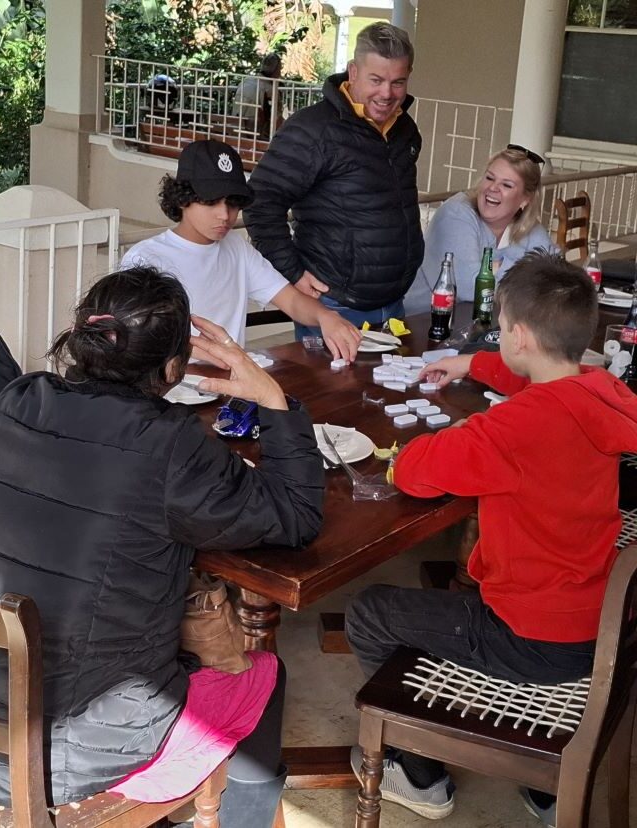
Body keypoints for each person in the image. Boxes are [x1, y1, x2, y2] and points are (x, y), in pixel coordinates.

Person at [0, 266, 326, 826]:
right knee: (262, 673)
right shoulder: (171, 444)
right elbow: (297, 517)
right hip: (58, 754)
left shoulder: (17, 400)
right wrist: (274, 401)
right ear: (170, 367)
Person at [344, 251, 637, 826]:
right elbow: (539, 379)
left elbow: (415, 472)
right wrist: (471, 363)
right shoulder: (603, 391)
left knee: (370, 611)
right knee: (451, 596)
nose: (499, 337)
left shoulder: (513, 429)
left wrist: (446, 437)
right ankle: (549, 791)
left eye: (500, 329)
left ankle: (419, 773)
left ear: (520, 335)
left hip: (529, 637)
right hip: (595, 617)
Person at [244, 22, 422, 335]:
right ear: (353, 72)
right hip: (334, 306)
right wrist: (294, 272)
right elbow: (260, 202)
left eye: (398, 82)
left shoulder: (404, 129)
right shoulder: (313, 130)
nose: (387, 93)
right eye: (376, 80)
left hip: (394, 302)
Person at [121, 139, 361, 361]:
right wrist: (207, 354)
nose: (225, 215)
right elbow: (136, 338)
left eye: (233, 203)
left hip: (233, 384)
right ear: (183, 198)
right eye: (211, 201)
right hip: (172, 391)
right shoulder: (147, 258)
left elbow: (290, 299)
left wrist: (326, 316)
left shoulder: (236, 247)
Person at [403, 145, 556, 316]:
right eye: (490, 178)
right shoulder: (456, 213)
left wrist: (496, 268)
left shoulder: (528, 227)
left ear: (525, 199)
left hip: (479, 324)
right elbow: (470, 288)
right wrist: (526, 269)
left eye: (506, 185)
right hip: (419, 323)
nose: (493, 188)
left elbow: (556, 274)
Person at [232, 53, 282, 138]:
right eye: (280, 69)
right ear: (276, 70)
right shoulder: (270, 90)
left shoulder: (245, 81)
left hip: (236, 131)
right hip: (254, 135)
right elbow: (276, 121)